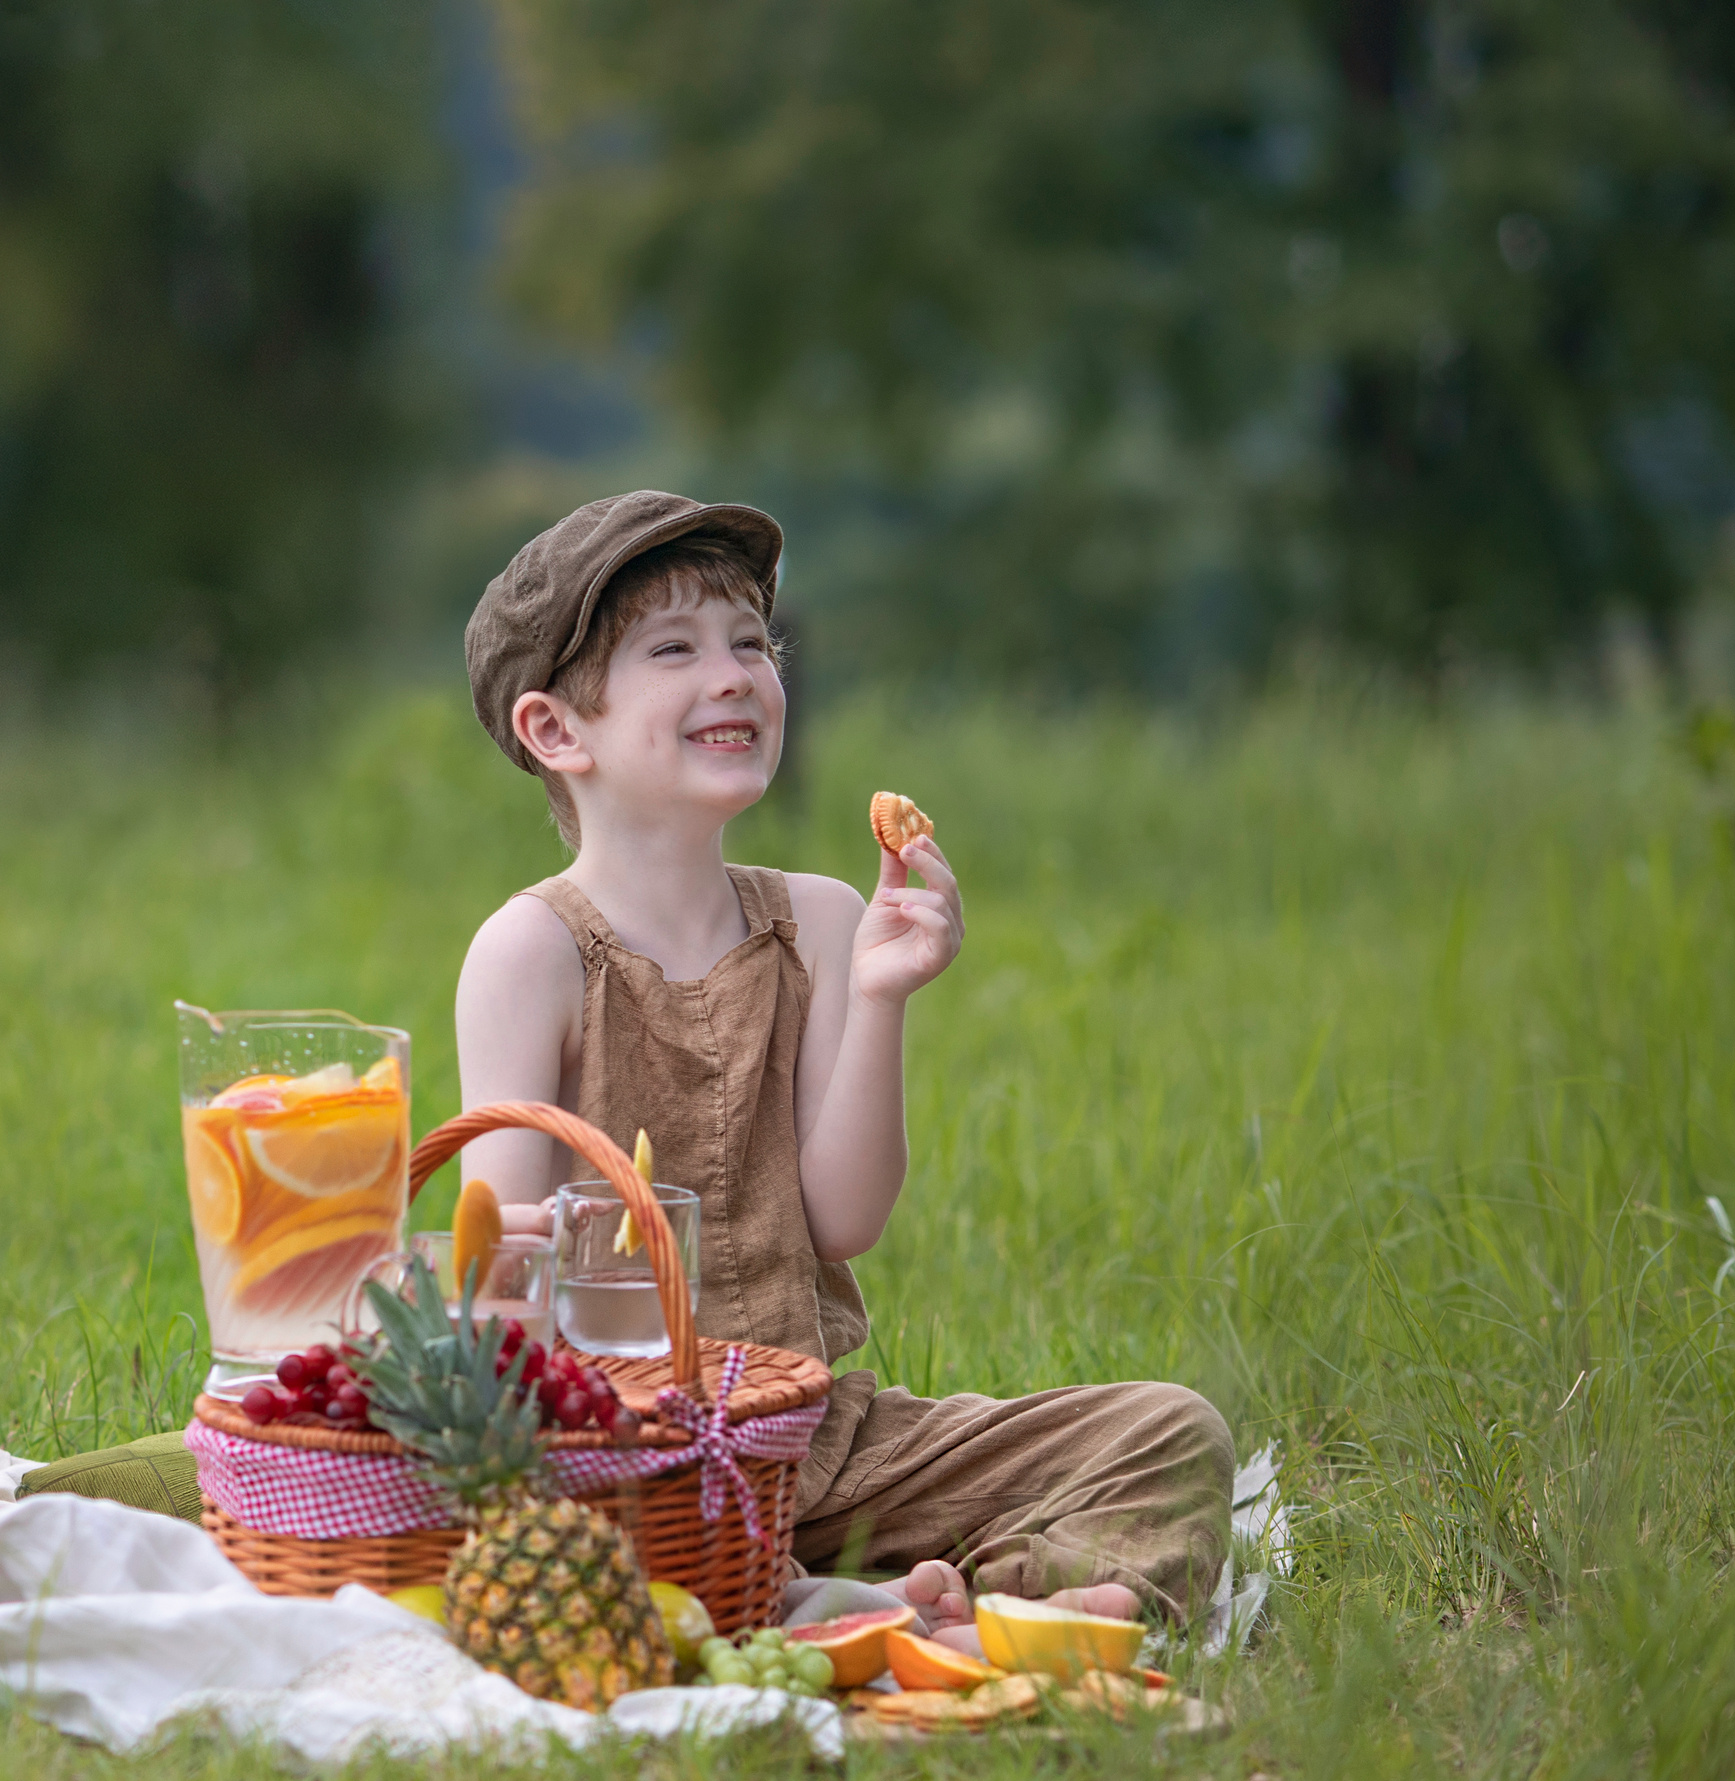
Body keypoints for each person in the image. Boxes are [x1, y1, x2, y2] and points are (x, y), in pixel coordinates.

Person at [453, 491, 1232, 1650]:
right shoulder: (534, 949)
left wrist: (880, 993)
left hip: (819, 1442)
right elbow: (492, 1271)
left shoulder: (816, 921)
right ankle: (874, 1611)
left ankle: (998, 1603)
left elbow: (843, 1217)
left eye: (751, 643)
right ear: (559, 731)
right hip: (620, 1458)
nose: (733, 674)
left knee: (1170, 1430)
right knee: (569, 1562)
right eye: (675, 649)